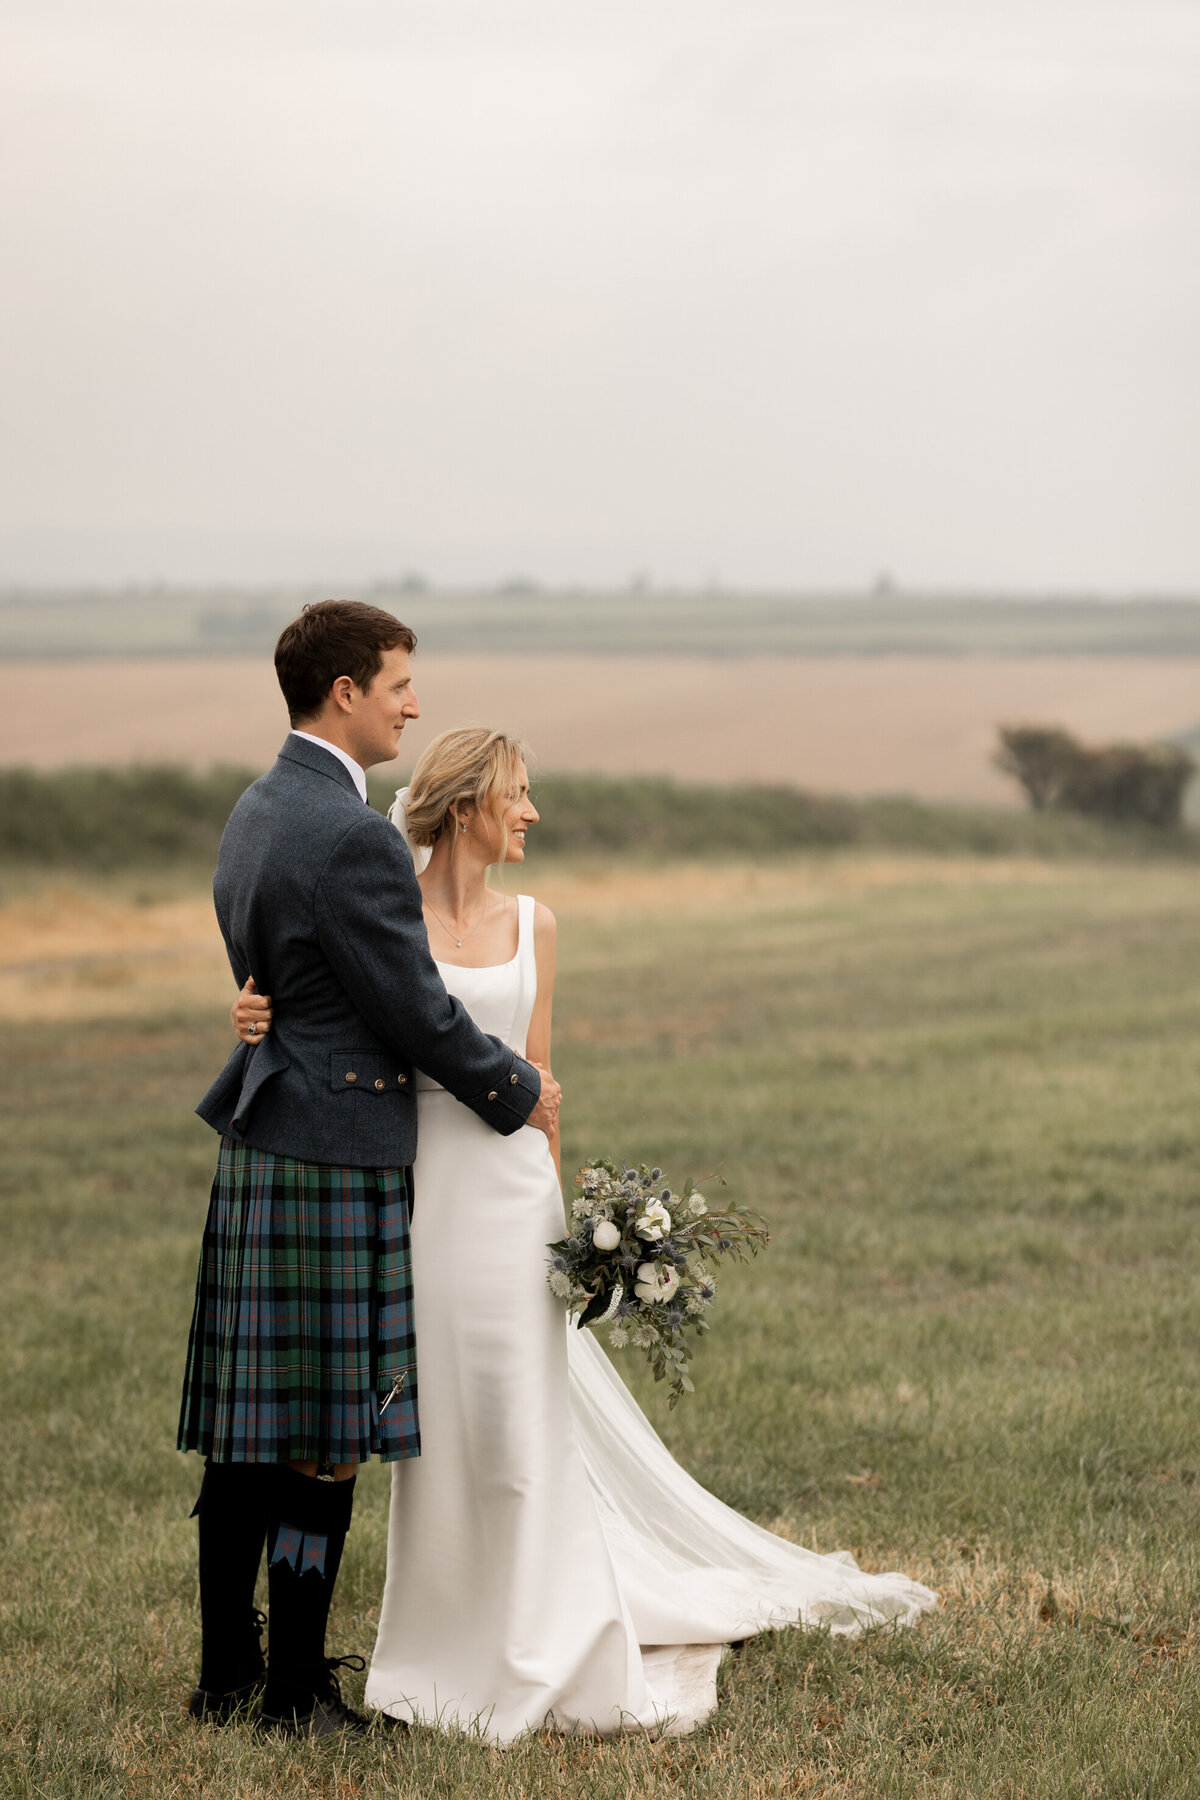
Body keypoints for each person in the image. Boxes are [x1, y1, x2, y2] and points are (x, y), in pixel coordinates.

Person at [234, 727, 937, 1741]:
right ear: (467, 805)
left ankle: (542, 1642)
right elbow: (313, 1013)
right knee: (439, 1441)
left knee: (523, 1431)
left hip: (516, 1197)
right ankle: (440, 1646)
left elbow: (545, 1086)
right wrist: (248, 1008)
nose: (531, 814)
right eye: (517, 795)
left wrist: (574, 1234)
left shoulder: (540, 923)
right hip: (425, 1194)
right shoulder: (389, 919)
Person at [178, 603, 561, 1741]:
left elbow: (277, 965)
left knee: (250, 1433)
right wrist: (515, 1089)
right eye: (399, 681)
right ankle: (294, 1691)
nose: (412, 701)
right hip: (332, 1157)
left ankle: (224, 1678)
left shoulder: (258, 807)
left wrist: (262, 1014)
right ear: (343, 689)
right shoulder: (349, 834)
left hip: (266, 1145)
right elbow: (414, 1006)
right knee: (329, 1443)